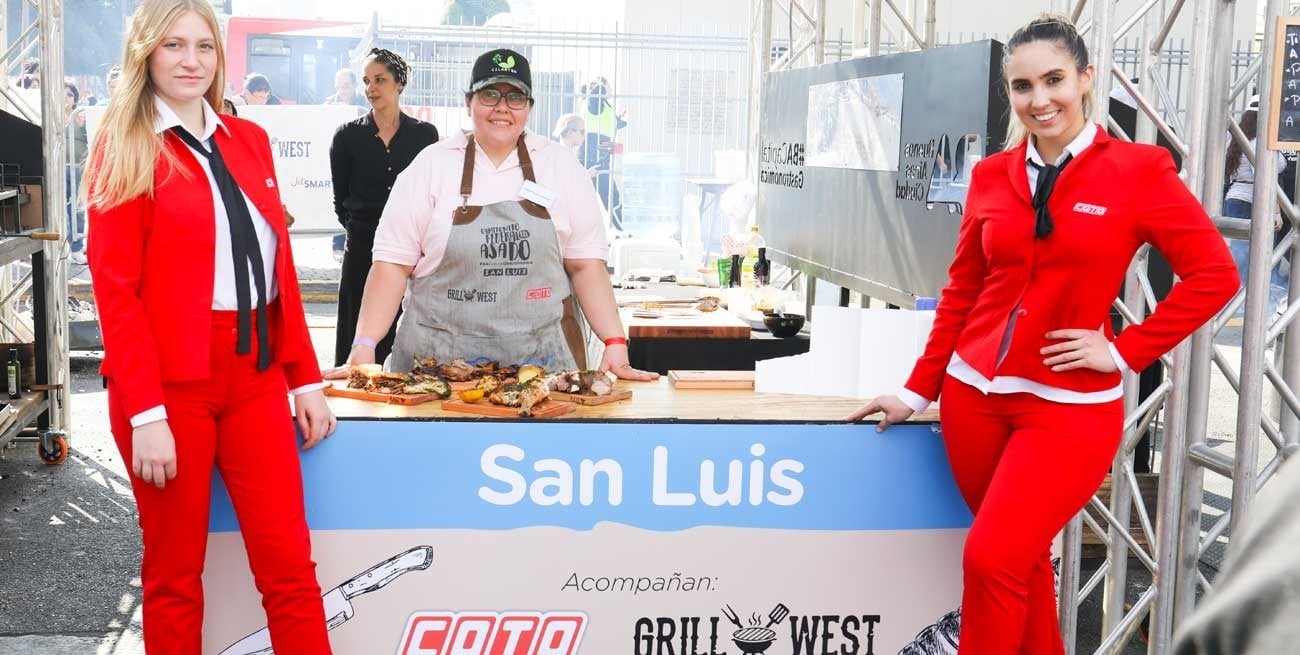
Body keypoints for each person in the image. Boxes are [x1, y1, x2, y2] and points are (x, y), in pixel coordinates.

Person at [847, 15, 1238, 655]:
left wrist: (1123, 349)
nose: (1040, 99)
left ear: (1086, 80)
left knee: (992, 558)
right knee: (1019, 565)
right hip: (973, 398)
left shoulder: (1137, 171)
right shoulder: (991, 175)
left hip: (1070, 409)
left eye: (1054, 80)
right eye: (1023, 86)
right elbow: (962, 294)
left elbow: (1215, 275)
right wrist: (918, 392)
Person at [83, 0, 336, 652]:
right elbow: (117, 293)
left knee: (289, 569)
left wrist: (303, 377)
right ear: (146, 54)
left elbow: (279, 270)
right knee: (174, 577)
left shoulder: (248, 139)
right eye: (173, 46)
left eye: (203, 46)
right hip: (167, 387)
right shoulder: (125, 144)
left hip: (253, 375)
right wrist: (145, 413)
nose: (190, 60)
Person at [334, 48, 658, 382]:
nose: (502, 107)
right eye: (490, 94)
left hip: (540, 371)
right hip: (433, 370)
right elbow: (391, 265)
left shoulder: (560, 166)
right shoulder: (431, 166)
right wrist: (364, 344)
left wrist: (615, 341)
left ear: (529, 108)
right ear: (468, 102)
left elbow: (586, 265)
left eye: (515, 97)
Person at [329, 48, 439, 367]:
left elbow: (431, 192)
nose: (371, 88)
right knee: (357, 328)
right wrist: (364, 231)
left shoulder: (425, 135)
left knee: (407, 328)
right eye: (366, 81)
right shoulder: (346, 137)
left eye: (380, 79)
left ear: (399, 84)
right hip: (362, 246)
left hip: (412, 250)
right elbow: (341, 202)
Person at [1224, 96, 1288, 313]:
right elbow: (1267, 178)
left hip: (1234, 199)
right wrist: (1276, 211)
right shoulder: (1259, 143)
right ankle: (1252, 304)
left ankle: (1237, 301)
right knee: (1256, 254)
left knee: (1241, 253)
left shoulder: (1235, 140)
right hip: (1253, 202)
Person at [580, 76, 626, 231]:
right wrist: (600, 85)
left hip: (599, 155)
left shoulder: (603, 105)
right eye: (609, 87)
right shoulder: (594, 102)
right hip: (593, 157)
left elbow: (603, 124)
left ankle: (620, 229)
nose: (612, 91)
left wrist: (619, 121)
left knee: (606, 196)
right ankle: (623, 230)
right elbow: (596, 95)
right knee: (611, 197)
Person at [64, 80, 89, 264]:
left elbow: (90, 137)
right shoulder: (51, 115)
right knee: (61, 207)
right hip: (58, 166)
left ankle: (77, 246)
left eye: (70, 94)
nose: (66, 97)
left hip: (78, 165)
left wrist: (82, 124)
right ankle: (64, 245)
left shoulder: (80, 115)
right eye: (63, 93)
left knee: (78, 207)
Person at [553, 113, 597, 178]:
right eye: (582, 131)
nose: (584, 135)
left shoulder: (562, 152)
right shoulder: (564, 155)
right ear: (570, 133)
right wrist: (588, 175)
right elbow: (567, 181)